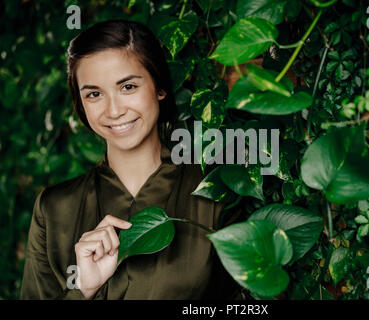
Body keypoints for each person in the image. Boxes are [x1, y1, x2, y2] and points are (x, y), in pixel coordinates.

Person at [20, 19, 241, 300]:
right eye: (94, 94)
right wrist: (83, 291)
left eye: (128, 87)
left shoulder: (214, 191)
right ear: (80, 104)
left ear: (159, 87)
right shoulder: (53, 209)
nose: (113, 111)